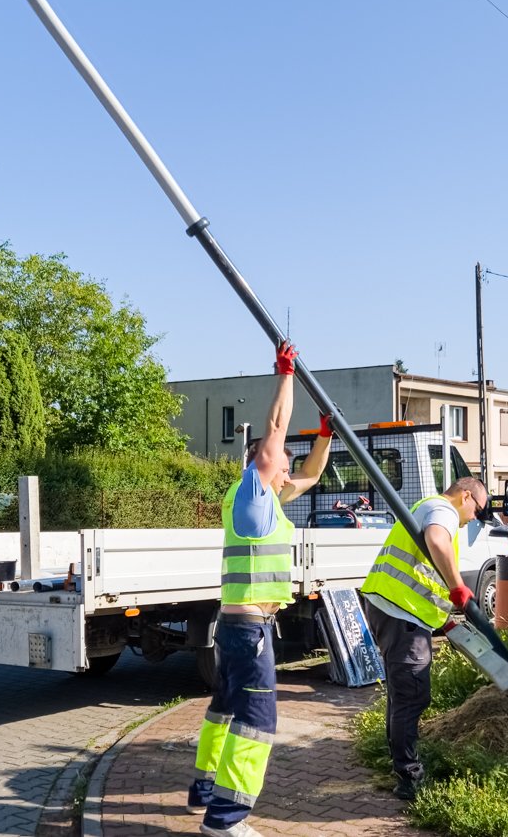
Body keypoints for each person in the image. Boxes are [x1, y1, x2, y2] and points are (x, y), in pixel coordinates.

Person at [188, 340, 333, 837]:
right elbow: (274, 430)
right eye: (281, 464)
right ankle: (226, 820)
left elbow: (312, 472)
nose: (288, 470)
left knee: (225, 710)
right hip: (249, 628)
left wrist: (325, 434)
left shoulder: (258, 499)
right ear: (264, 465)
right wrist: (286, 375)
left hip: (237, 625)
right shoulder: (253, 491)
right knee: (256, 721)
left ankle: (203, 790)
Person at [359, 476, 489, 801]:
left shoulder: (429, 507)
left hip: (396, 610)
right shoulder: (441, 509)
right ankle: (410, 778)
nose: (475, 517)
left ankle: (404, 768)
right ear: (466, 495)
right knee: (412, 696)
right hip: (401, 615)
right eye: (479, 509)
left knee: (402, 696)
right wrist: (458, 586)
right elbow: (436, 541)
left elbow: (423, 576)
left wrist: (444, 620)